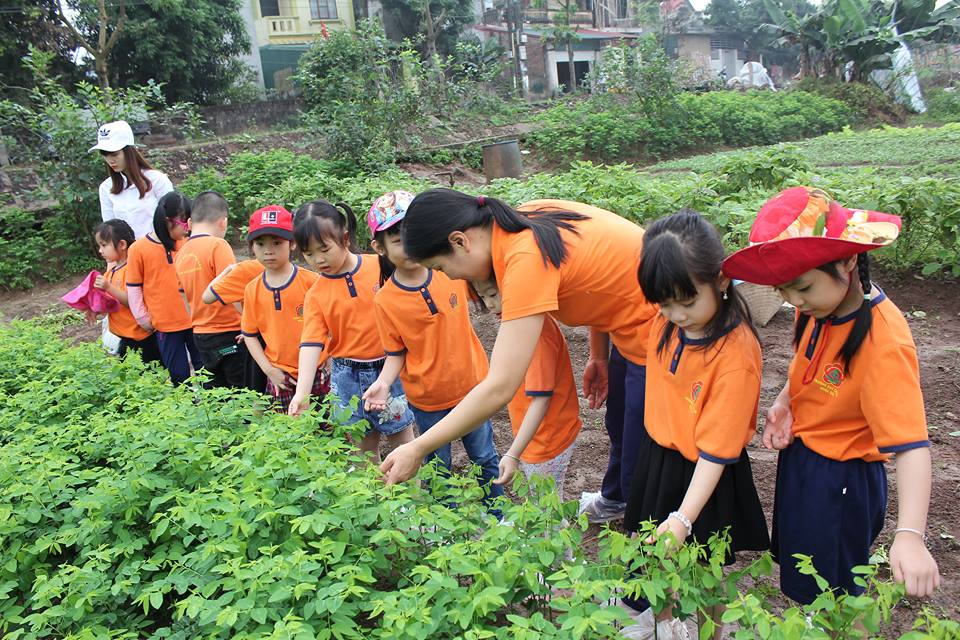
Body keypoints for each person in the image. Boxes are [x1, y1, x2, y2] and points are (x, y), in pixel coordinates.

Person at [379, 190, 659, 518]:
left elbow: (500, 386)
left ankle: (647, 531)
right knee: (621, 425)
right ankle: (618, 501)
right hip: (631, 324)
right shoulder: (516, 222)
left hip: (660, 329)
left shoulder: (525, 258)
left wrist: (418, 446)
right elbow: (606, 284)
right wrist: (599, 355)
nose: (450, 277)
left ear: (459, 241)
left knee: (646, 446)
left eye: (441, 266)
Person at [722, 186, 940, 604]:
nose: (793, 301)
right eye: (783, 291)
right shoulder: (820, 307)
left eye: (801, 287)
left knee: (837, 594)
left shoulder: (884, 343)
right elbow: (810, 360)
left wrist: (910, 535)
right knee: (805, 575)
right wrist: (786, 401)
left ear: (848, 261)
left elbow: (912, 445)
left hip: (842, 481)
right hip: (803, 460)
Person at [621, 210, 769, 640]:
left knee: (705, 569)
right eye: (664, 303)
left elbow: (718, 449)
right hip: (660, 457)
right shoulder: (666, 323)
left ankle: (709, 633)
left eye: (687, 303)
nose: (676, 314)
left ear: (721, 280)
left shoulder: (735, 354)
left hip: (706, 473)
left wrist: (685, 518)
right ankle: (663, 624)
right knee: (657, 553)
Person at [360, 191, 503, 507]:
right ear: (379, 248)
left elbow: (490, 294)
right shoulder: (386, 300)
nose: (412, 247)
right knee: (438, 466)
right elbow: (396, 351)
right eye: (400, 241)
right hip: (428, 400)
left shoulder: (451, 272)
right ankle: (445, 522)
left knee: (484, 455)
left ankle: (497, 513)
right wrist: (383, 382)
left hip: (472, 387)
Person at [288, 200, 415, 463]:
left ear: (345, 239)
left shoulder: (381, 266)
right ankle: (372, 490)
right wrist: (302, 392)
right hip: (347, 376)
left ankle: (410, 490)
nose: (318, 259)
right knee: (362, 448)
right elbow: (310, 343)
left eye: (324, 249)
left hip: (388, 369)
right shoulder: (316, 294)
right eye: (308, 254)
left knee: (403, 440)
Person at [470, 279, 581, 499]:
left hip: (545, 440)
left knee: (546, 506)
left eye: (493, 294)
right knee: (547, 499)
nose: (489, 304)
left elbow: (541, 400)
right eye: (483, 297)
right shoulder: (528, 322)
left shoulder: (535, 336)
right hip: (540, 434)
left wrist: (513, 454)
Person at [240, 205, 324, 412]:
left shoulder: (312, 282)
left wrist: (329, 358)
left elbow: (331, 324)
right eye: (260, 244)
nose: (268, 251)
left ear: (292, 243)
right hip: (280, 376)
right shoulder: (252, 289)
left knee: (327, 427)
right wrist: (269, 371)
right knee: (286, 427)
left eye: (277, 243)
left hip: (317, 371)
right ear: (252, 247)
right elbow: (249, 334)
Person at [125, 192, 201, 385]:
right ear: (167, 221)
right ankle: (185, 403)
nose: (188, 228)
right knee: (178, 374)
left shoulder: (189, 243)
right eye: (184, 223)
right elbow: (134, 286)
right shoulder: (138, 249)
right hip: (165, 323)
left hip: (195, 319)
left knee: (205, 369)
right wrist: (142, 318)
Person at [175, 191, 247, 388]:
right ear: (223, 222)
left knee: (214, 390)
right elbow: (232, 289)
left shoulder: (181, 253)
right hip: (229, 332)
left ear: (189, 223)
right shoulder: (218, 245)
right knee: (241, 391)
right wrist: (249, 324)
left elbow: (182, 294)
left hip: (200, 334)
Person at [90, 219, 161, 363]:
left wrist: (108, 287)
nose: (100, 250)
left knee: (150, 372)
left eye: (104, 245)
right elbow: (111, 302)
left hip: (142, 337)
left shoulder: (132, 269)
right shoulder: (110, 272)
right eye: (99, 246)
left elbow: (133, 301)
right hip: (124, 336)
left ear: (122, 244)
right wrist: (95, 310)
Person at [91, 120, 174, 239]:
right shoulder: (106, 188)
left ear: (129, 151)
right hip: (127, 250)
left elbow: (172, 221)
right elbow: (110, 230)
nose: (110, 160)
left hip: (159, 247)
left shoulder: (157, 180)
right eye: (105, 154)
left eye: (114, 154)